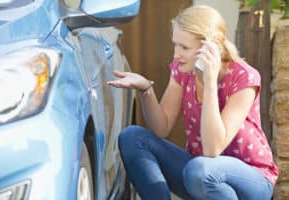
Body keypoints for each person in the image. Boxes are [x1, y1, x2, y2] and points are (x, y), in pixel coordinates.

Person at [107, 5, 278, 200]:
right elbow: (161, 128)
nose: (176, 55)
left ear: (211, 46)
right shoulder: (182, 71)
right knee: (132, 137)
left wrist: (209, 82)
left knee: (200, 170)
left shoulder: (244, 77)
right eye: (175, 45)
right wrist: (146, 89)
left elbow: (213, 149)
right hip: (200, 175)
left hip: (251, 180)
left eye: (184, 47)